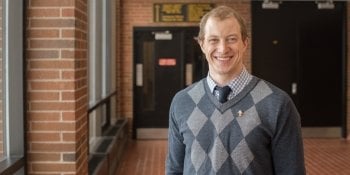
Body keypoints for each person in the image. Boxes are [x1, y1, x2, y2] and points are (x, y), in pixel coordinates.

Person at [166, 5, 305, 175]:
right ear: (202, 44)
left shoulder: (277, 104)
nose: (223, 48)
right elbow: (174, 170)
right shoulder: (182, 102)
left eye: (231, 39)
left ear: (245, 43)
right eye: (214, 40)